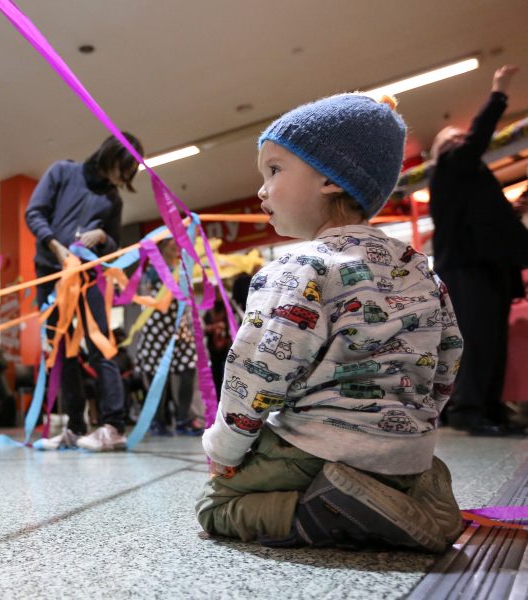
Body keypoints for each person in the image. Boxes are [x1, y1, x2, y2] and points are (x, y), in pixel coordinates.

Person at [196, 93, 464, 553]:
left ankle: (323, 511)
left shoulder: (298, 267)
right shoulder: (421, 269)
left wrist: (225, 450)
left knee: (214, 505)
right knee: (396, 470)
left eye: (275, 170)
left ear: (328, 178)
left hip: (321, 446)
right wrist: (415, 426)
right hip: (409, 450)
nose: (262, 189)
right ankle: (416, 490)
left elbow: (256, 373)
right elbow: (447, 358)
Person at [27, 133, 144, 451]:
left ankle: (113, 426)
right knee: (60, 348)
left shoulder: (113, 201)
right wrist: (57, 247)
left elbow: (114, 246)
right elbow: (34, 213)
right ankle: (75, 429)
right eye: (126, 166)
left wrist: (102, 237)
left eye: (131, 171)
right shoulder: (63, 172)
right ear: (111, 155)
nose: (126, 176)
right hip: (51, 273)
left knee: (100, 342)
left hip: (89, 278)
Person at [428, 65, 528, 436]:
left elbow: (483, 213)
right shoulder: (452, 164)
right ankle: (468, 408)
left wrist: (511, 212)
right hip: (469, 265)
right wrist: (499, 92)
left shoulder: (465, 178)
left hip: (486, 263)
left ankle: (487, 407)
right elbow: (475, 141)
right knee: (477, 338)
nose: (459, 139)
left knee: (491, 339)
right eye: (451, 137)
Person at [135, 238, 203, 436]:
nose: (177, 247)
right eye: (172, 244)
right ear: (161, 248)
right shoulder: (154, 271)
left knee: (188, 368)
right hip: (156, 330)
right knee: (158, 377)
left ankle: (183, 418)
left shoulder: (180, 269)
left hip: (178, 329)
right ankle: (158, 421)